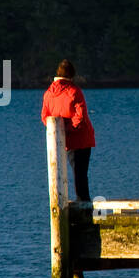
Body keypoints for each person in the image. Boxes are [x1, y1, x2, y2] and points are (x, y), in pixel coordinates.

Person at [40, 59, 95, 202]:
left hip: (60, 140)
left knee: (64, 171)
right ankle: (83, 202)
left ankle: (66, 199)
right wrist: (70, 129)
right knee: (80, 172)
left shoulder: (48, 94)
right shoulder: (74, 91)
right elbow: (80, 116)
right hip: (81, 138)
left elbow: (45, 116)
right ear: (71, 75)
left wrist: (59, 130)